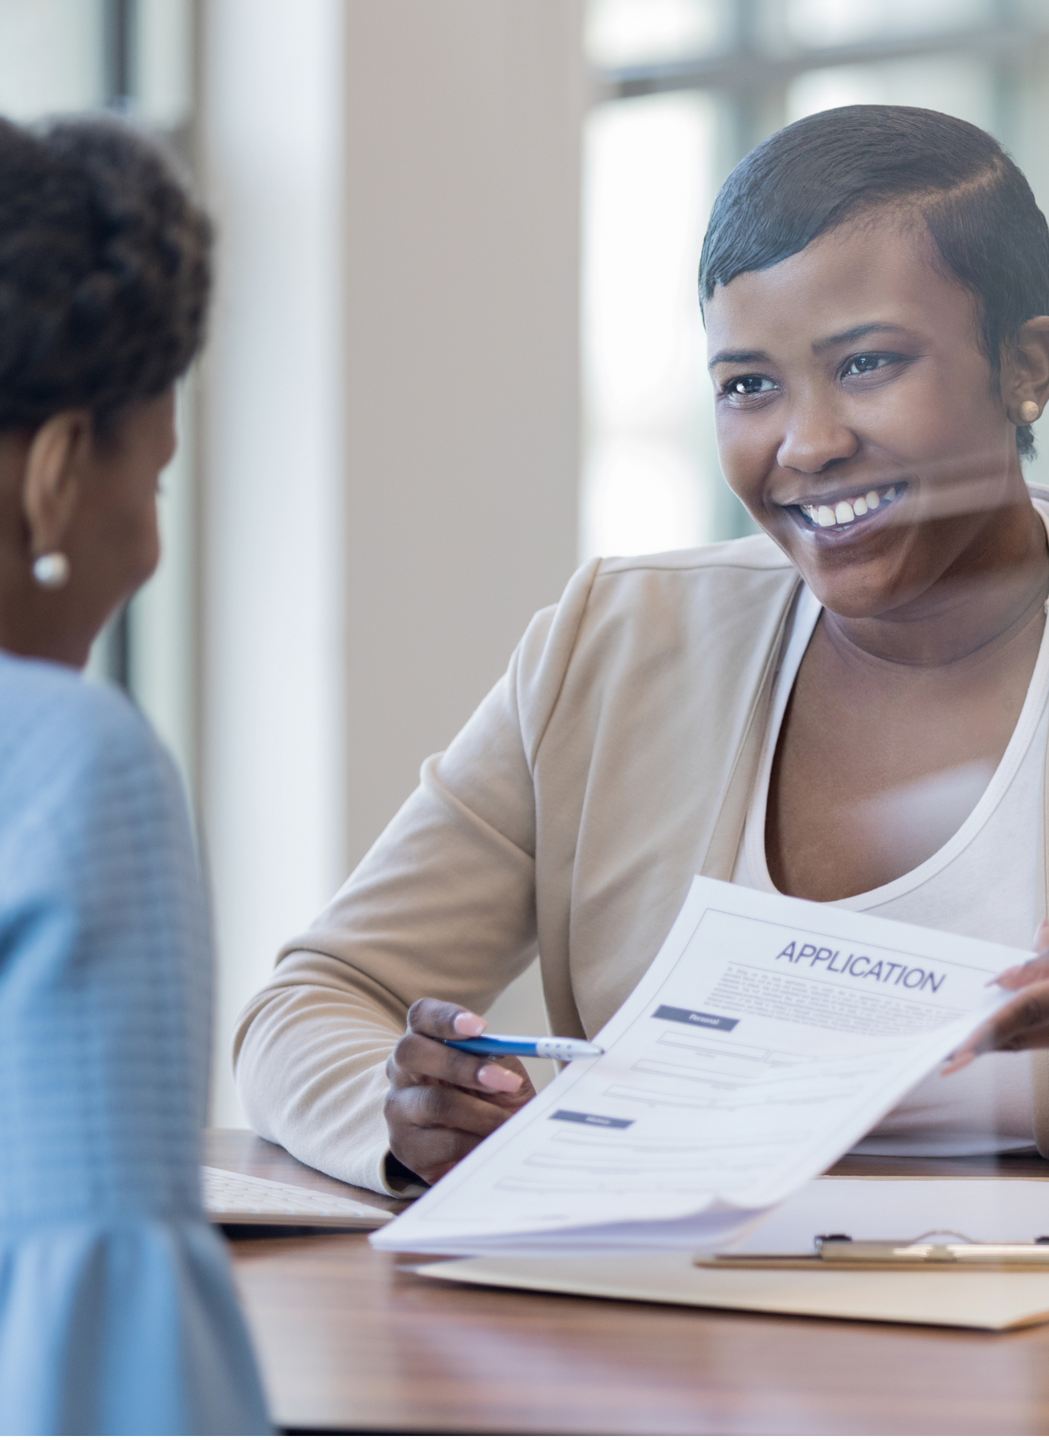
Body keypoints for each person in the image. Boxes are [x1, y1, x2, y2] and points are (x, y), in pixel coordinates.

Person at [235, 104, 1049, 1193]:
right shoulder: (614, 647)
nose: (805, 444)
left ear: (1024, 366)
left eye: (866, 364)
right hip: (647, 1294)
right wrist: (412, 1121)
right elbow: (312, 1000)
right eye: (747, 385)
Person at [0, 116, 270, 1433]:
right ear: (57, 474)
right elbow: (112, 1379)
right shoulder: (71, 766)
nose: (150, 546)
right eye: (152, 480)